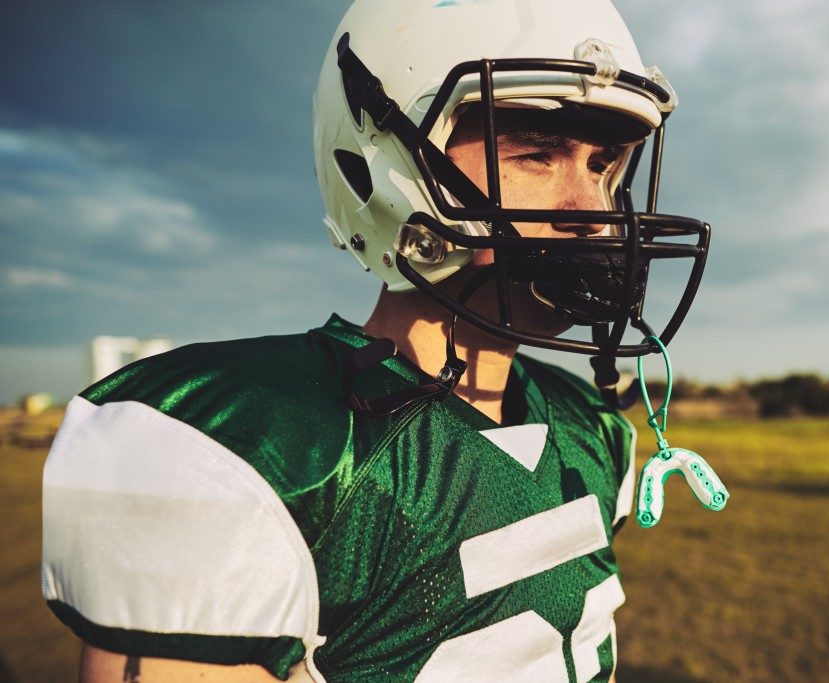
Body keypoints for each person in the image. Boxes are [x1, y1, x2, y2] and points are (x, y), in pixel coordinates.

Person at [41, 0, 710, 680]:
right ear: (383, 159)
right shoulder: (254, 450)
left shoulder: (591, 429)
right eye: (537, 154)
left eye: (604, 167)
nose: (592, 211)